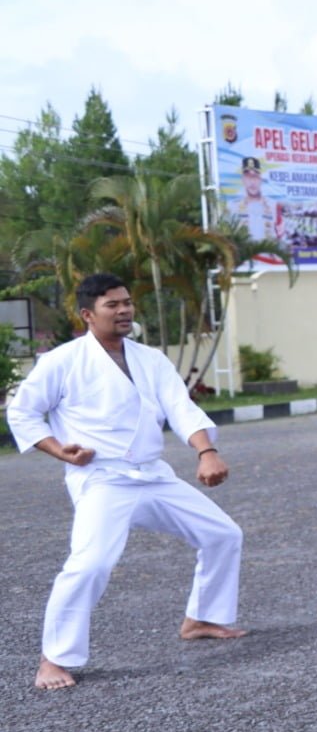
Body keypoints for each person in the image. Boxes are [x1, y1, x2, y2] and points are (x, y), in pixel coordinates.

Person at [11, 274, 246, 690]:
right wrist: (58, 449)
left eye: (127, 302)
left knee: (223, 534)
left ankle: (201, 619)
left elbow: (180, 406)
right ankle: (53, 659)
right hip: (102, 478)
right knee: (90, 563)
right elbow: (23, 413)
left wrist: (205, 451)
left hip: (152, 474)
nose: (124, 311)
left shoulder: (150, 359)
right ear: (87, 314)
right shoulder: (62, 362)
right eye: (112, 305)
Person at [232, 156, 280, 242]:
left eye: (255, 177)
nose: (252, 182)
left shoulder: (273, 205)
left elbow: (279, 235)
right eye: (248, 177)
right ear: (243, 180)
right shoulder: (233, 206)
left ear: (261, 179)